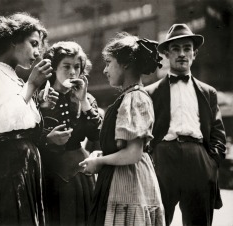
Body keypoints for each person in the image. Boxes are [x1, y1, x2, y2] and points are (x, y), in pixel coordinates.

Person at [0, 13, 57, 226]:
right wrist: (32, 85)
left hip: (23, 162)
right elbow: (1, 121)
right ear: (13, 40)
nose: (37, 52)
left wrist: (40, 106)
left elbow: (23, 122)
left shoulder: (14, 78)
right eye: (33, 43)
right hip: (7, 163)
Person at [79, 32, 165, 226]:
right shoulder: (128, 97)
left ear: (125, 64)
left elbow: (133, 154)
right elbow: (118, 144)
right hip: (120, 178)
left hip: (129, 183)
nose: (105, 70)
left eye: (109, 62)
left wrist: (99, 161)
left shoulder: (135, 97)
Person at [145, 24, 227, 226]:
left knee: (199, 221)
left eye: (187, 48)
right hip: (163, 159)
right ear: (166, 53)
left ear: (194, 53)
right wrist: (153, 159)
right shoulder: (150, 92)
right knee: (157, 221)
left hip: (198, 160)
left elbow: (218, 132)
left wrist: (211, 162)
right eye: (175, 49)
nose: (182, 54)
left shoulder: (208, 92)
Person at [38, 41, 102, 226]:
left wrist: (84, 102)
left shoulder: (87, 99)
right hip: (48, 171)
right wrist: (47, 138)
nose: (73, 72)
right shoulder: (40, 96)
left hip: (78, 172)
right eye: (66, 66)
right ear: (54, 68)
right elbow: (27, 134)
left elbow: (96, 134)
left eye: (77, 67)